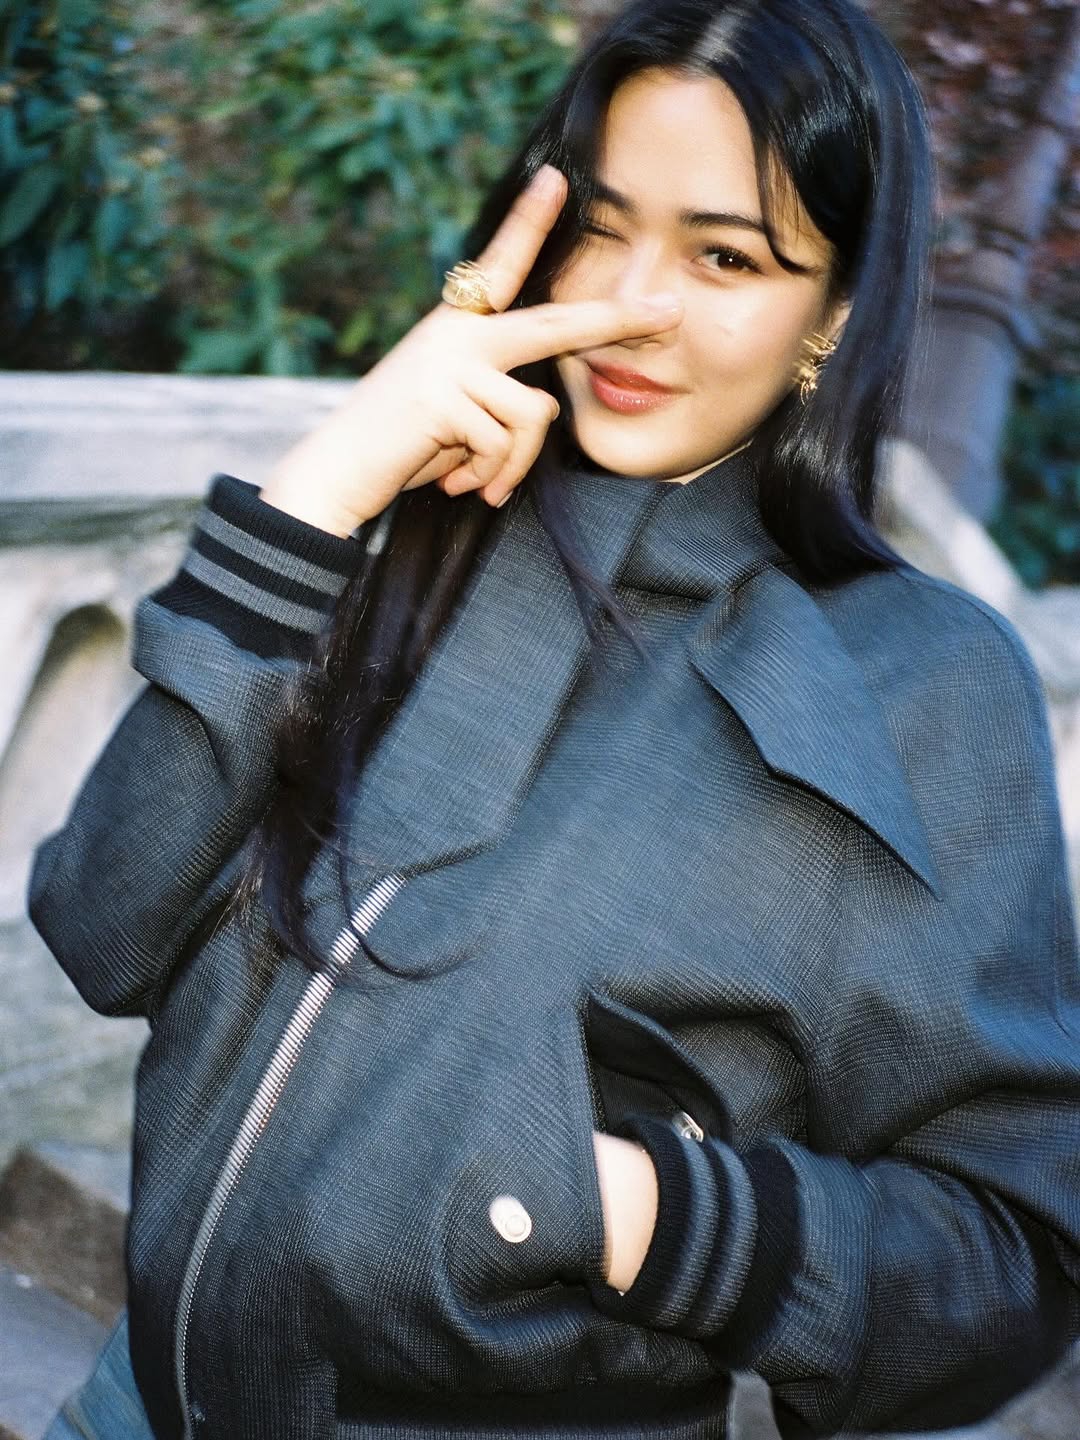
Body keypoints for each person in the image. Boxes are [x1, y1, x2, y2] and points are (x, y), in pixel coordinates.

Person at [29, 0, 1080, 1436]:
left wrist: (631, 1208)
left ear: (833, 315)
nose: (632, 307)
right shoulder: (416, 518)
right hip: (128, 1405)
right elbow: (102, 923)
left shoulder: (919, 680)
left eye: (724, 256)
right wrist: (322, 490)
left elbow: (1009, 1255)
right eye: (599, 225)